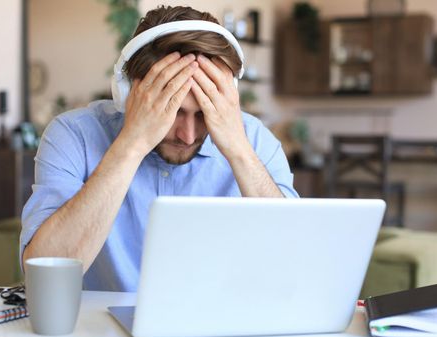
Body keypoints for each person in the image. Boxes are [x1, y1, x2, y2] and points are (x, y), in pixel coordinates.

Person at [20, 5, 298, 292]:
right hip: (96, 333)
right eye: (174, 110)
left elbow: (296, 262)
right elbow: (42, 277)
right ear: (128, 93)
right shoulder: (73, 135)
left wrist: (238, 150)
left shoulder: (254, 141)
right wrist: (132, 143)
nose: (188, 136)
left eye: (204, 114)